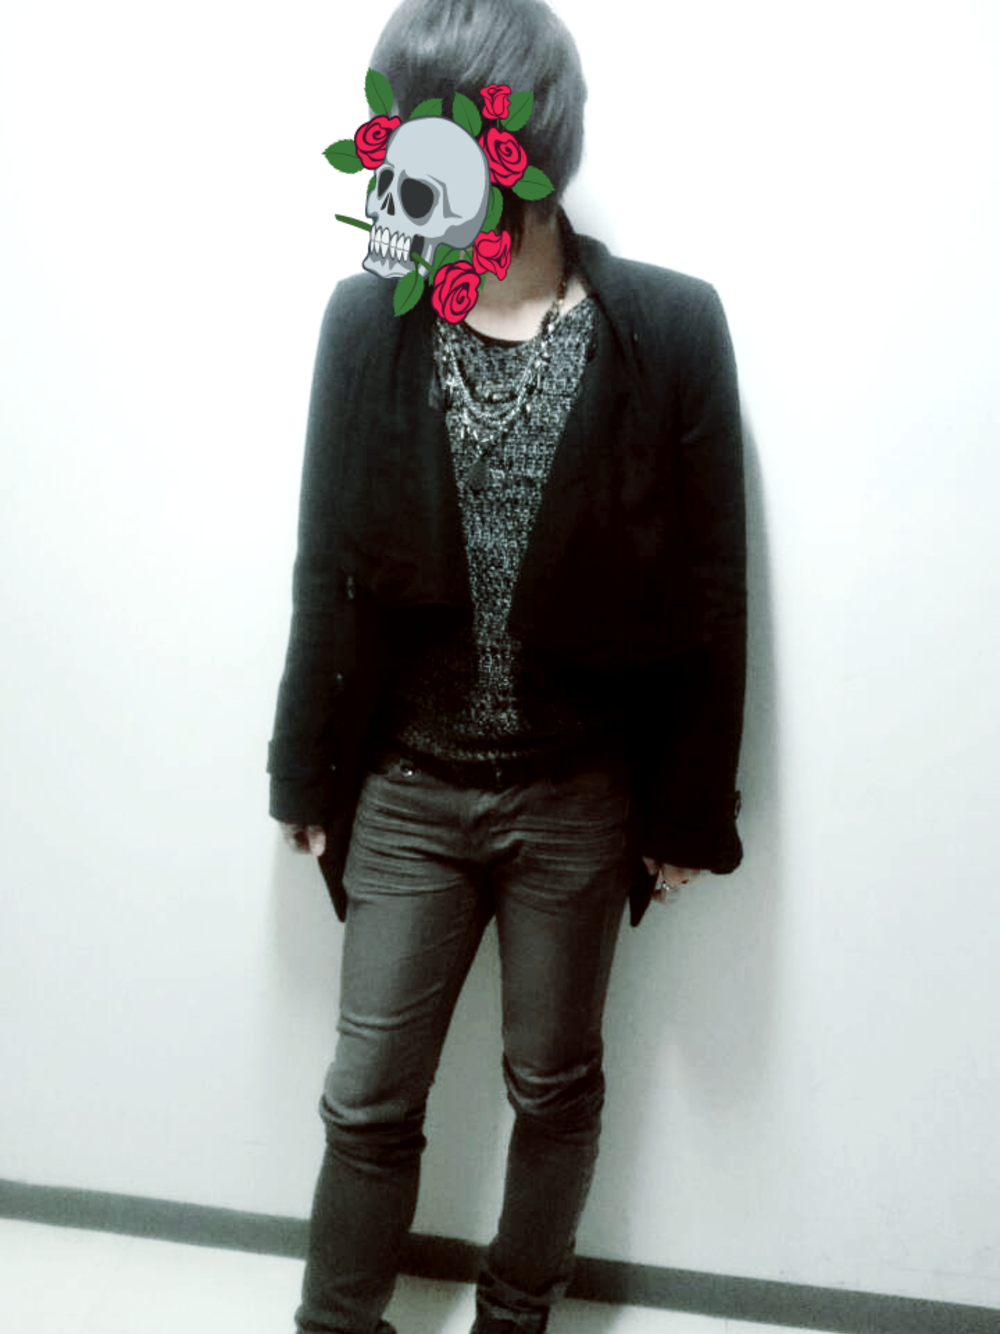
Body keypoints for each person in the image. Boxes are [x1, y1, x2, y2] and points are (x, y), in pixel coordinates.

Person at [267, 1, 747, 1331]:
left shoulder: (668, 327)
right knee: (368, 1096)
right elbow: (325, 554)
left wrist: (688, 811)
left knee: (555, 1084)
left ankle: (515, 1318)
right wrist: (302, 768)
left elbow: (711, 588)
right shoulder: (371, 321)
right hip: (407, 790)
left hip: (576, 795)